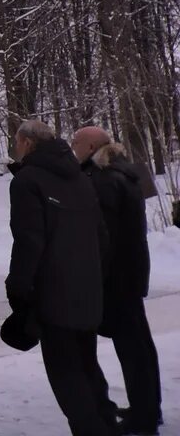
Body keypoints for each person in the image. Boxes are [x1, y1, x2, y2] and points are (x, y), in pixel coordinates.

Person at [6, 119, 116, 436]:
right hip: (88, 289)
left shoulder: (28, 181)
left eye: (17, 142)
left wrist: (18, 289)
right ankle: (106, 424)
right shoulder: (80, 177)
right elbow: (102, 237)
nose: (16, 147)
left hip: (54, 295)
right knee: (87, 365)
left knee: (67, 375)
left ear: (27, 143)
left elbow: (29, 241)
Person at [72, 126, 161, 435]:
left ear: (93, 145)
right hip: (131, 273)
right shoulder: (122, 173)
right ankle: (148, 407)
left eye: (77, 143)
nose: (74, 148)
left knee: (133, 350)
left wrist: (97, 276)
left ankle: (145, 417)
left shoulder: (106, 180)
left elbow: (104, 237)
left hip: (118, 279)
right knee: (140, 347)